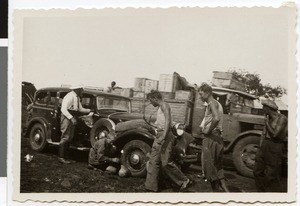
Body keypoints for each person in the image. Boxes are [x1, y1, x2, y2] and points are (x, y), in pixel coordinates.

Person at [144, 90, 191, 192]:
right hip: (160, 134)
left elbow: (168, 121)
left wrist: (163, 136)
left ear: (155, 98)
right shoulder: (160, 108)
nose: (151, 103)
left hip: (165, 136)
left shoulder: (165, 106)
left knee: (165, 162)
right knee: (154, 161)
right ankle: (150, 187)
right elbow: (162, 123)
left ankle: (184, 180)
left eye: (151, 100)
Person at [198, 83, 229, 192]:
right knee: (218, 168)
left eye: (201, 94)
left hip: (211, 138)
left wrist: (207, 130)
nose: (200, 97)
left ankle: (216, 195)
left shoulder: (211, 103)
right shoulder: (217, 103)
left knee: (210, 170)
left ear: (207, 93)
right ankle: (226, 191)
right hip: (218, 138)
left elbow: (216, 118)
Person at [253, 99, 287, 192]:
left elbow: (275, 134)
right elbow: (264, 134)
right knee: (256, 171)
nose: (263, 110)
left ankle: (269, 194)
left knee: (271, 174)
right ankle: (261, 191)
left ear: (268, 109)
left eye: (264, 108)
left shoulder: (282, 118)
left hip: (275, 145)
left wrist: (267, 123)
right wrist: (260, 149)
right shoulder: (269, 118)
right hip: (265, 144)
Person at [58, 85, 91, 164]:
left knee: (70, 137)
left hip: (72, 115)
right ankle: (61, 157)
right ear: (77, 89)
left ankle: (66, 156)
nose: (82, 91)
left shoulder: (77, 97)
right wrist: (71, 118)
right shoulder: (69, 96)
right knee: (66, 136)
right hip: (67, 116)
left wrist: (90, 110)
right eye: (81, 89)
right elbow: (63, 109)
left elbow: (80, 109)